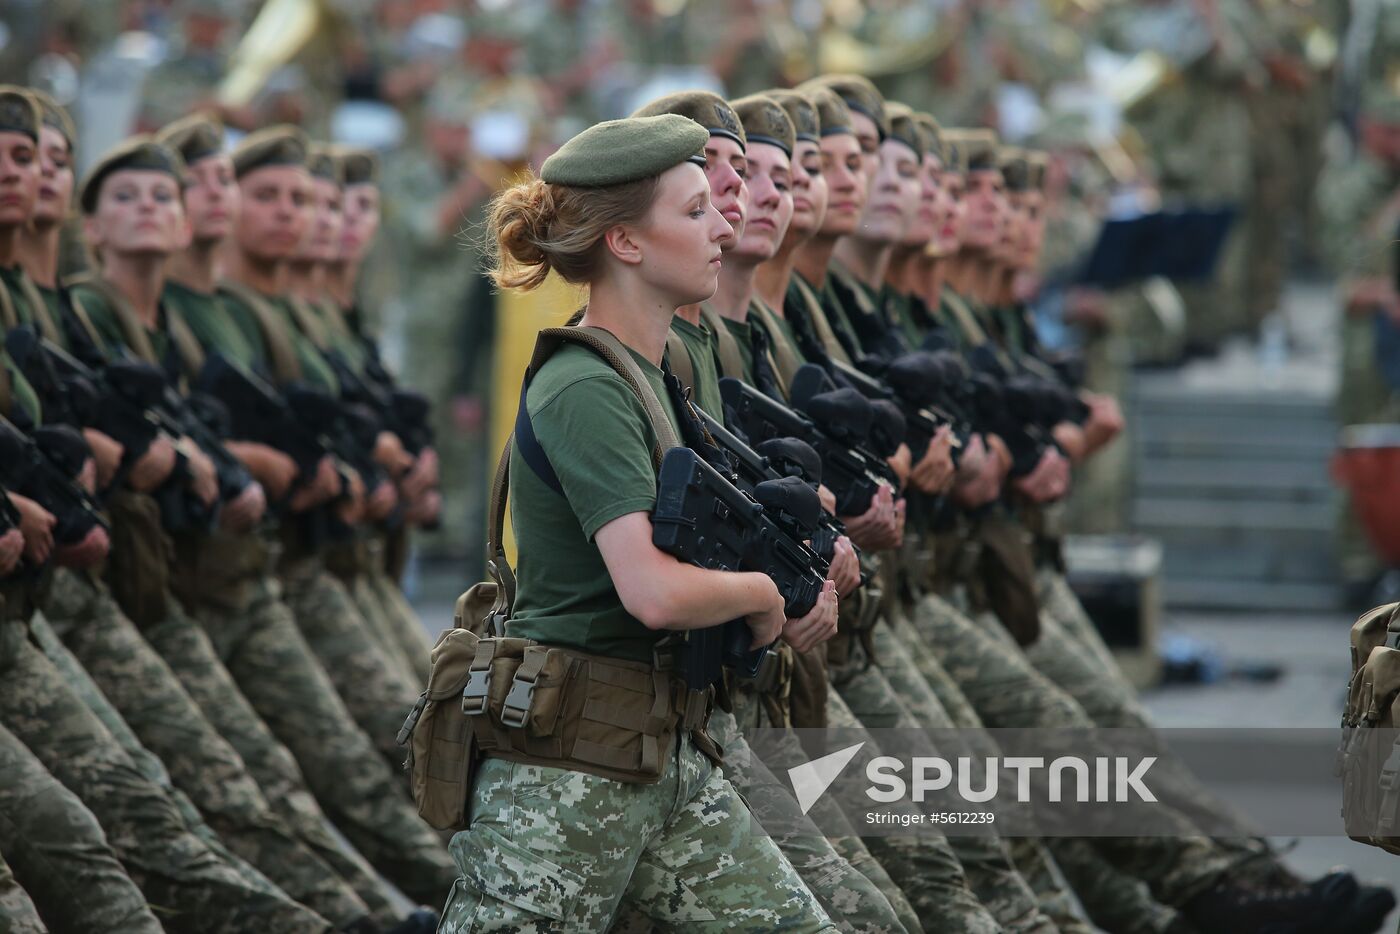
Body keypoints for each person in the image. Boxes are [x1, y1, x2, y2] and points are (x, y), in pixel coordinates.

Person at [440, 111, 839, 932]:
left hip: (656, 754)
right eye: (693, 213)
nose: (717, 228)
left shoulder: (659, 371)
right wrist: (765, 596)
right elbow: (650, 590)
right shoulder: (585, 385)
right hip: (567, 780)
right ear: (625, 243)